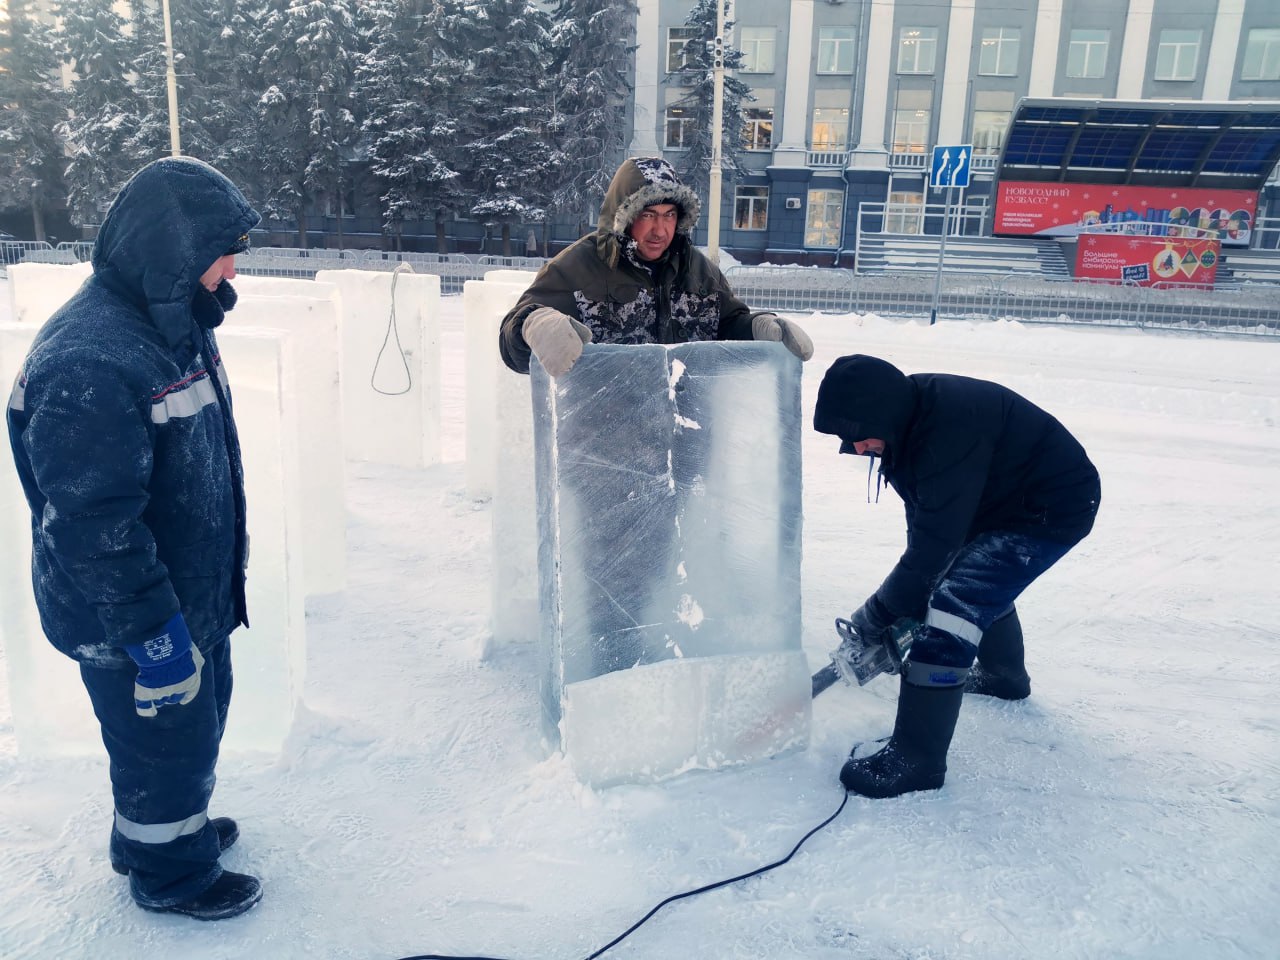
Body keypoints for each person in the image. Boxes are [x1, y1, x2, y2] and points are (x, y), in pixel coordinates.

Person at [6, 157, 262, 919]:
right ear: (172, 248)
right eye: (222, 250)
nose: (233, 267)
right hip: (132, 615)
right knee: (163, 745)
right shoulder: (89, 360)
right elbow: (94, 528)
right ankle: (169, 874)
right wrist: (156, 638)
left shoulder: (171, 320)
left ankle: (160, 835)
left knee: (191, 729)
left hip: (184, 593)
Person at [813, 354, 1101, 799]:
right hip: (1000, 501)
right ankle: (1004, 677)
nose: (854, 448)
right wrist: (906, 597)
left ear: (880, 415)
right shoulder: (906, 423)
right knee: (966, 577)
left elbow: (933, 549)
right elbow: (927, 533)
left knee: (953, 609)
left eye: (856, 435)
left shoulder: (942, 434)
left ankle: (916, 762)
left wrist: (878, 614)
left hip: (1049, 508)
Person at [499, 156, 813, 375]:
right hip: (603, 440)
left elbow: (727, 328)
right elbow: (513, 342)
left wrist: (757, 328)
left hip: (689, 436)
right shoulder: (579, 266)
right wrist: (534, 324)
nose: (660, 230)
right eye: (648, 215)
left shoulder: (700, 271)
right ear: (624, 216)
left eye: (669, 215)